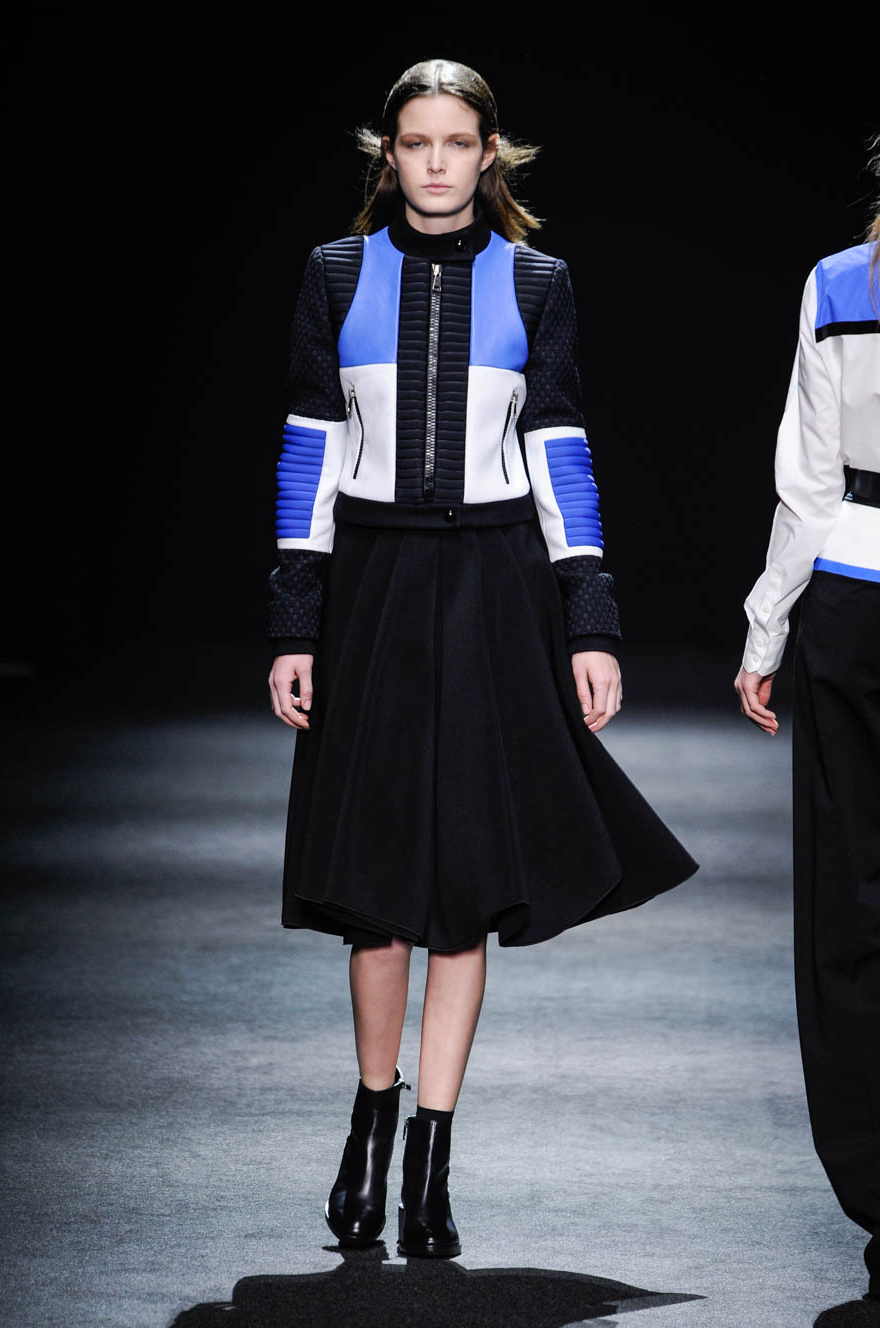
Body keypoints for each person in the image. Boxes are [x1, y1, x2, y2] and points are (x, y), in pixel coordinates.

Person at [267, 58, 698, 1260]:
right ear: (387, 154)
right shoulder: (335, 272)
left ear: (489, 154)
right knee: (371, 885)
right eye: (415, 142)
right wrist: (294, 620)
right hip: (371, 585)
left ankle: (430, 1154)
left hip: (494, 585)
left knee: (464, 880)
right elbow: (307, 447)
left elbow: (559, 445)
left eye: (457, 142)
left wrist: (589, 619)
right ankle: (370, 1117)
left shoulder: (536, 280)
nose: (437, 162)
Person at [735, 165, 880, 1300]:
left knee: (853, 901)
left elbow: (812, 480)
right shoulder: (836, 287)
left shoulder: (843, 284)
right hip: (851, 597)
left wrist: (765, 629)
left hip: (856, 600)